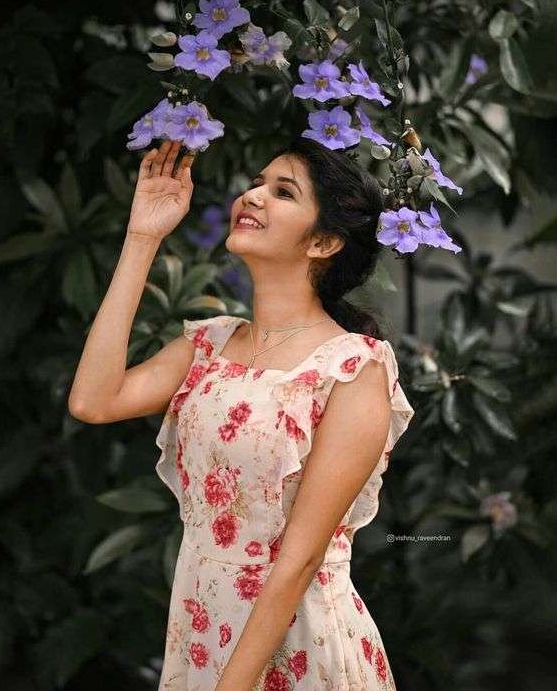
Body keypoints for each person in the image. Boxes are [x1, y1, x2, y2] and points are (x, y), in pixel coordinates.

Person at [68, 137, 415, 691]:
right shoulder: (209, 344)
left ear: (323, 242)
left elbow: (300, 561)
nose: (253, 196)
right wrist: (142, 238)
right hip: (203, 629)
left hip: (299, 642)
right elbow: (92, 400)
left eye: (283, 192)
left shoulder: (352, 368)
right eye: (257, 183)